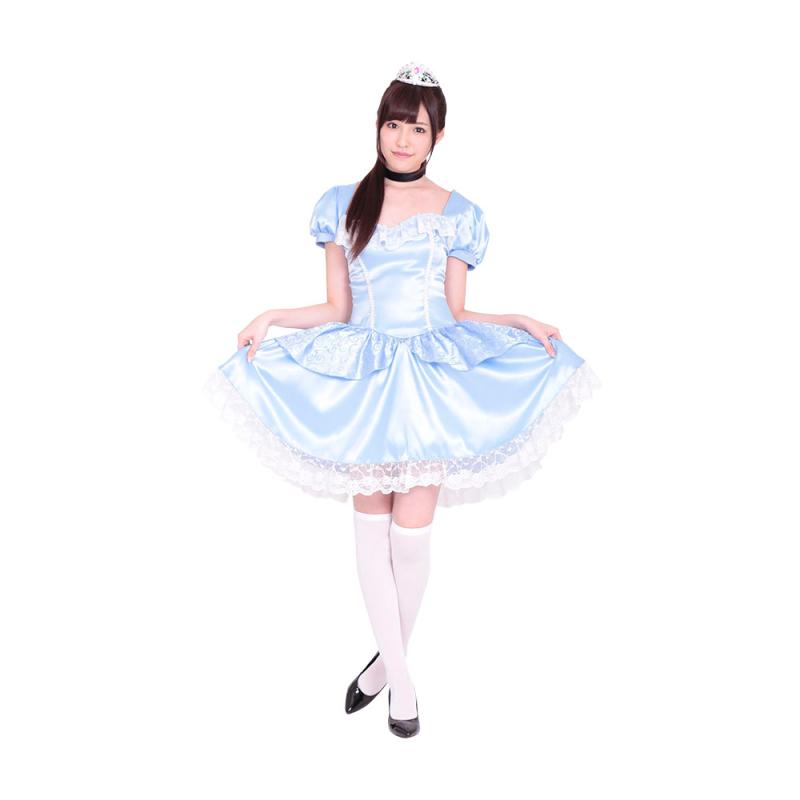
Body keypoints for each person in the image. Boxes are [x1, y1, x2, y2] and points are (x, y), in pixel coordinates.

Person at [203, 61, 601, 738]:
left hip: (430, 381)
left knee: (410, 536)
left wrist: (519, 321)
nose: (403, 138)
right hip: (365, 378)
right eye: (394, 124)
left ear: (438, 135)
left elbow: (456, 311)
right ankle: (402, 679)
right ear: (378, 127)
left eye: (417, 128)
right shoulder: (342, 203)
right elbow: (337, 307)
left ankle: (385, 668)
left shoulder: (459, 212)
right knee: (371, 529)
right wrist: (270, 316)